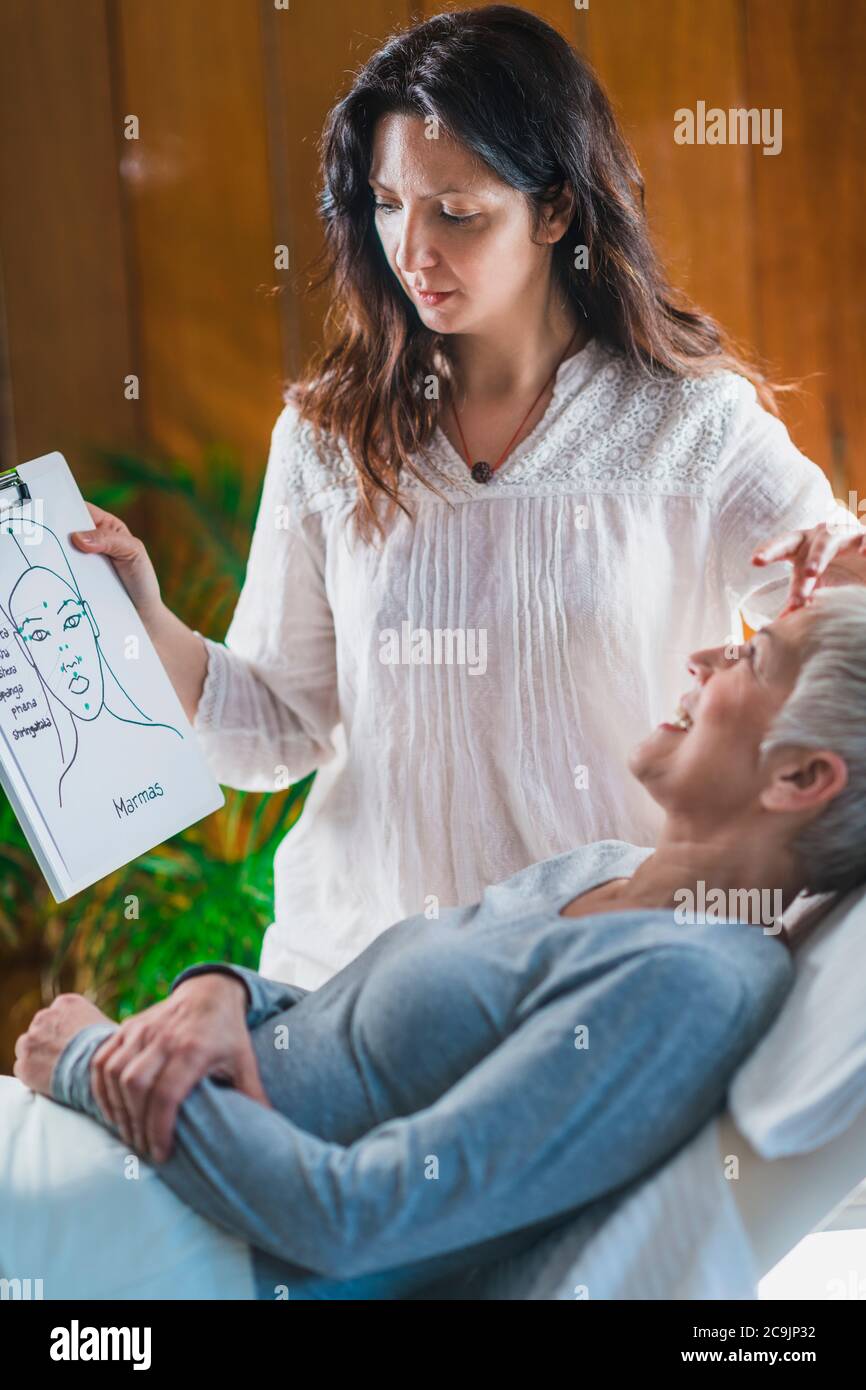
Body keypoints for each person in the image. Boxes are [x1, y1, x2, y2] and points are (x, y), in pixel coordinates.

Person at [65, 6, 863, 992]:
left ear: (557, 209)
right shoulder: (327, 437)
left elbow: (842, 619)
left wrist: (842, 571)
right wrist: (148, 621)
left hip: (600, 973)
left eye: (456, 211)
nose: (411, 250)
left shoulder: (690, 428)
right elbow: (276, 729)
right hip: (357, 981)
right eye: (387, 204)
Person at [7, 586, 866, 1300]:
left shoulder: (692, 983)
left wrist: (88, 1060)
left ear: (799, 777)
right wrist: (218, 994)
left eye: (751, 657)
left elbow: (357, 1222)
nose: (706, 657)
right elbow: (344, 1027)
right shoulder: (603, 870)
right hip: (112, 1165)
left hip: (153, 1242)